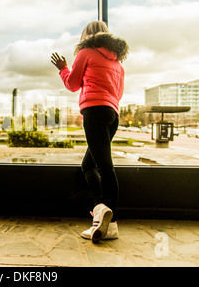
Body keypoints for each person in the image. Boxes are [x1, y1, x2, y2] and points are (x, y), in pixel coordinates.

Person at [51, 20, 128, 243]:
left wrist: (63, 68)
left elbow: (73, 84)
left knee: (104, 167)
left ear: (86, 37)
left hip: (94, 111)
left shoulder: (86, 52)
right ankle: (103, 212)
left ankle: (108, 219)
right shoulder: (119, 64)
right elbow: (119, 93)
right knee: (89, 165)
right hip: (112, 114)